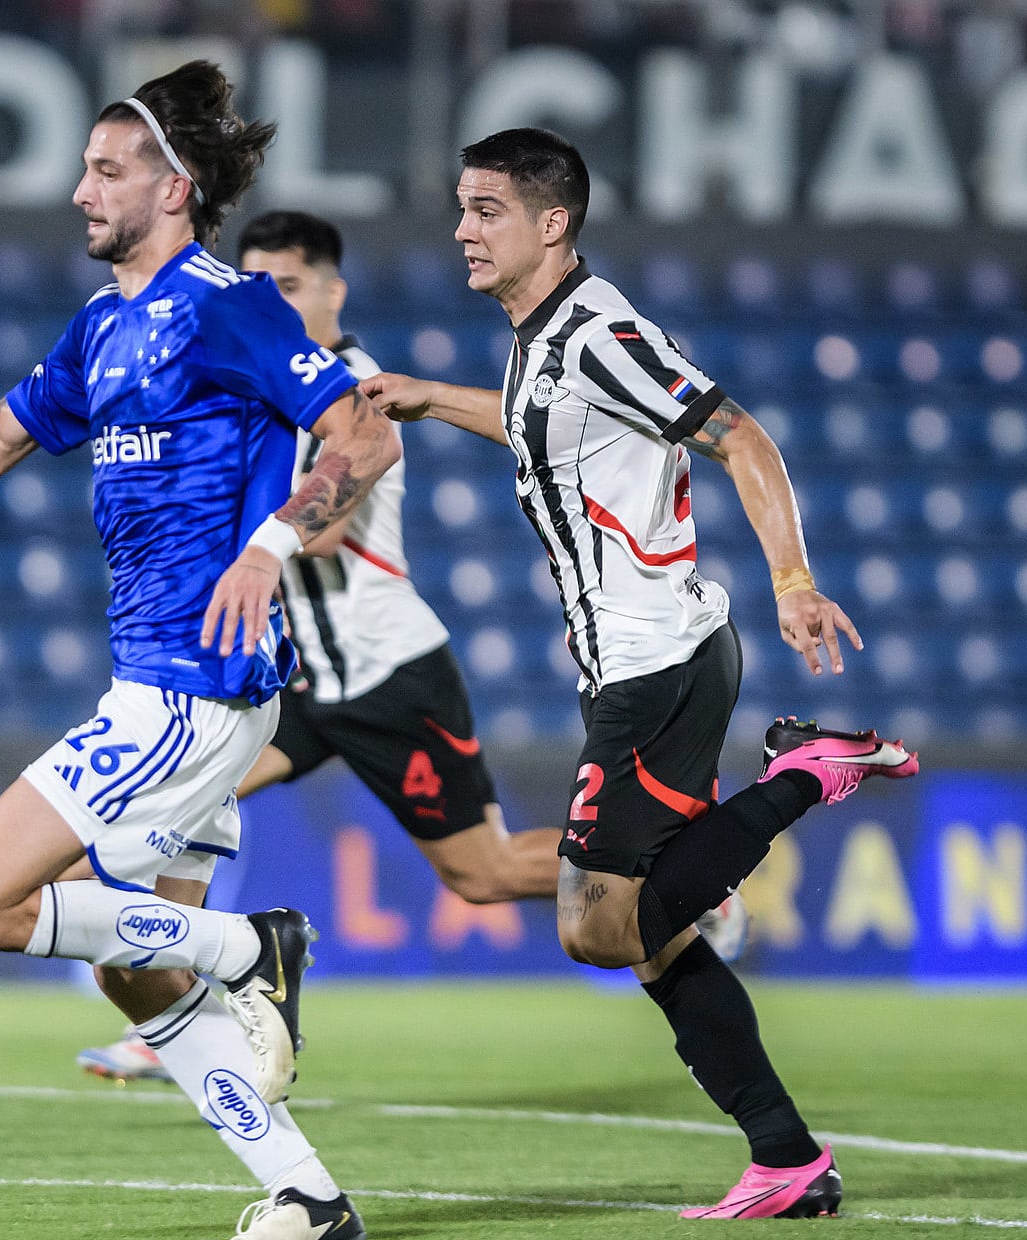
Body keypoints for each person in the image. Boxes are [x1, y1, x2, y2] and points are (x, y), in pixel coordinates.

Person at [0, 60, 401, 1240]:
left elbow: (361, 432)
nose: (77, 191)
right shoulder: (100, 328)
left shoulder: (228, 303)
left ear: (176, 185)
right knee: (130, 977)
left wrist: (267, 545)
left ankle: (257, 944)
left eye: (105, 169)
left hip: (189, 686)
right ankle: (305, 1194)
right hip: (166, 686)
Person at [361, 127, 917, 1219]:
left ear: (551, 222)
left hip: (656, 664)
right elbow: (543, 431)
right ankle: (786, 1161)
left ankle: (809, 771)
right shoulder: (538, 339)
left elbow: (740, 438)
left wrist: (793, 579)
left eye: (484, 210)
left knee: (595, 926)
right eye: (460, 208)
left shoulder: (599, 331)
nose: (461, 230)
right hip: (636, 663)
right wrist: (435, 396)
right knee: (649, 938)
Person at [78, 209, 744, 1089]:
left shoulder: (349, 390)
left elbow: (313, 537)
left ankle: (692, 877)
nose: (269, 302)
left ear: (332, 290)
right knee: (185, 801)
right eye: (255, 287)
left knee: (483, 870)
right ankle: (180, 1020)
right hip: (305, 678)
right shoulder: (263, 382)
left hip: (390, 673)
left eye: (288, 285)